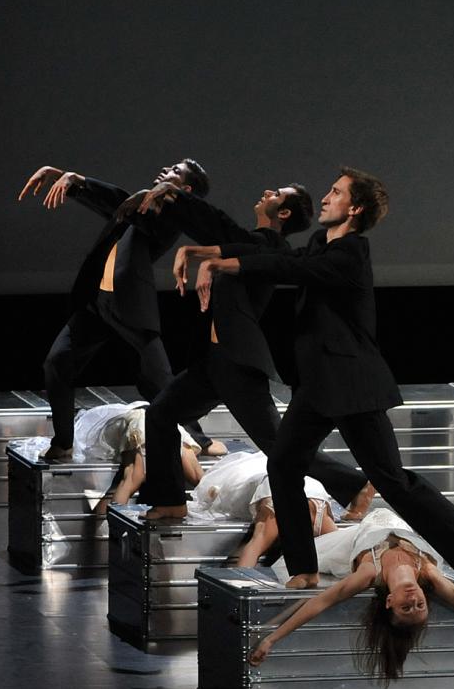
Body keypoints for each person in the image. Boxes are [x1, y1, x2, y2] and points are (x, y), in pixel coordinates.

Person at [195, 168, 454, 587]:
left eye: (335, 193)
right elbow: (286, 259)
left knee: (392, 479)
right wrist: (211, 257)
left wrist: (220, 263)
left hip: (352, 384)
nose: (325, 198)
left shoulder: (352, 252)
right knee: (283, 465)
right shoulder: (321, 243)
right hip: (318, 385)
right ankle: (303, 570)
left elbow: (291, 270)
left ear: (354, 208)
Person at [130, 179, 372, 522]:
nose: (266, 192)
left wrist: (202, 248)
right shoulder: (249, 239)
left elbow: (244, 246)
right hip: (213, 362)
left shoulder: (269, 246)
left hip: (236, 364)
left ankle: (355, 484)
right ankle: (169, 500)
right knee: (160, 414)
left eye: (277, 194)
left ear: (283, 213)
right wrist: (179, 206)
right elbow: (216, 226)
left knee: (278, 445)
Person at [18, 159, 217, 459]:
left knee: (158, 378)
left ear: (185, 189)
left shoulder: (170, 216)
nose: (165, 169)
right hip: (97, 303)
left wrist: (78, 178)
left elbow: (127, 206)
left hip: (130, 304)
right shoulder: (136, 205)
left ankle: (198, 439)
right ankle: (63, 441)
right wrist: (71, 180)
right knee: (57, 363)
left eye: (175, 172)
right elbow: (113, 202)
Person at [247, 509, 454, 683]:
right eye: (420, 604)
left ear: (389, 601)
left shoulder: (368, 573)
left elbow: (320, 602)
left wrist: (272, 639)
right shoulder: (428, 573)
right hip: (399, 521)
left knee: (298, 560)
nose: (414, 597)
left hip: (359, 536)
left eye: (407, 606)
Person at [184, 449, 341, 568]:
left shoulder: (318, 519)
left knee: (258, 542)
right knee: (259, 541)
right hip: (281, 487)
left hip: (301, 489)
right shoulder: (282, 514)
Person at [57, 401, 204, 517]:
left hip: (153, 420)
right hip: (153, 419)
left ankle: (108, 526)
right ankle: (108, 526)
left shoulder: (92, 419)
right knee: (134, 476)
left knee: (132, 478)